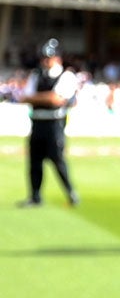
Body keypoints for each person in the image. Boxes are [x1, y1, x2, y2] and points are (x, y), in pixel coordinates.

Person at [19, 39, 79, 208]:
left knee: (58, 160)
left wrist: (39, 98)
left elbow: (57, 100)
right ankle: (35, 196)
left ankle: (70, 192)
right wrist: (46, 97)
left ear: (57, 58)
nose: (45, 61)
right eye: (44, 57)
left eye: (49, 57)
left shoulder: (66, 76)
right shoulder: (37, 75)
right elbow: (25, 97)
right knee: (34, 162)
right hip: (37, 123)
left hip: (54, 125)